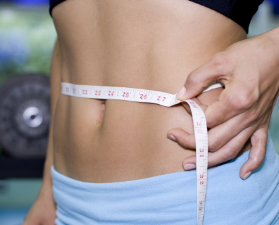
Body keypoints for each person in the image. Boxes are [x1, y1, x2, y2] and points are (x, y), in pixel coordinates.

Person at [23, 0, 279, 224]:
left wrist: (273, 49)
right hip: (70, 200)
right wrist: (49, 186)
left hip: (193, 195)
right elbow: (73, 40)